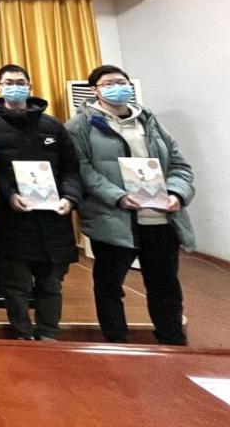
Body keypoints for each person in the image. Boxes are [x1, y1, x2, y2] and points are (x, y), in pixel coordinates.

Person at [66, 64, 194, 345]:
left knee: (165, 286)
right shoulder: (80, 125)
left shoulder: (150, 121)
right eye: (108, 84)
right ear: (95, 90)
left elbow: (180, 165)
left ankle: (172, 342)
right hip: (113, 219)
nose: (117, 88)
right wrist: (118, 196)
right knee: (110, 286)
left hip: (160, 219)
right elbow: (83, 169)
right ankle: (117, 342)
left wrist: (177, 194)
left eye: (121, 82)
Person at [0, 64, 82, 340]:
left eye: (20, 82)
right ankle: (22, 334)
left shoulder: (53, 126)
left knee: (52, 285)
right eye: (8, 83)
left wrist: (70, 198)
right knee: (16, 286)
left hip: (53, 220)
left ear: (30, 86)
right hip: (11, 220)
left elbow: (71, 168)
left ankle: (49, 334)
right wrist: (9, 195)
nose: (15, 87)